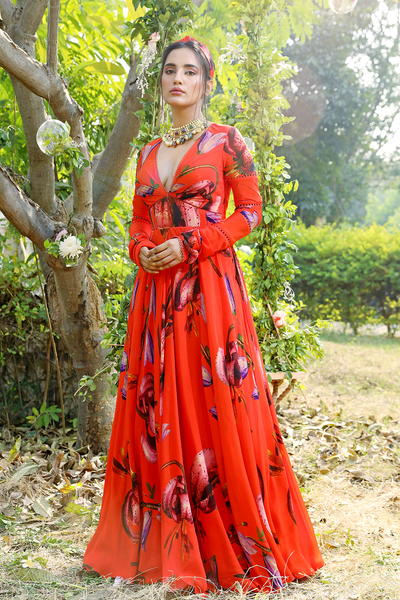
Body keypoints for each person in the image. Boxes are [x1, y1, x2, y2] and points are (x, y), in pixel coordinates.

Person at [83, 36, 324, 593]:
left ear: (206, 82)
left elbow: (251, 211)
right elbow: (139, 219)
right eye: (170, 70)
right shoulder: (148, 150)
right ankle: (162, 536)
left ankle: (227, 536)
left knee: (212, 397)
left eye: (190, 71)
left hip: (210, 291)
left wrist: (193, 244)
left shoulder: (227, 141)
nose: (178, 79)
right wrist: (141, 249)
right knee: (160, 401)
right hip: (155, 296)